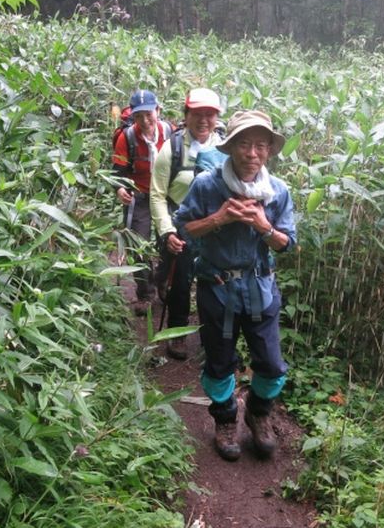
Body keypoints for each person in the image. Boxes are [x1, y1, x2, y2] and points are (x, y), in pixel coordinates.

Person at [173, 110, 296, 462]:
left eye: (260, 145)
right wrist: (219, 217)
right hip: (218, 288)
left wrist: (263, 225)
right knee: (219, 361)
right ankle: (226, 419)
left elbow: (286, 244)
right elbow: (184, 229)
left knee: (271, 364)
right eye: (244, 144)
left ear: (269, 151)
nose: (252, 153)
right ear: (231, 148)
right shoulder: (207, 185)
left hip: (261, 289)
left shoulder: (278, 191)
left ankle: (258, 414)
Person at [149, 87, 225, 359]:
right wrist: (167, 230)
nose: (203, 120)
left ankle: (210, 337)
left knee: (213, 281)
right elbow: (157, 194)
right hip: (180, 222)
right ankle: (178, 333)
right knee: (180, 281)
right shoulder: (173, 148)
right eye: (197, 114)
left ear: (217, 118)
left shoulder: (225, 148)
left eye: (210, 115)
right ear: (186, 115)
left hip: (215, 226)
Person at [112, 89, 172, 315]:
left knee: (170, 242)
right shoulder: (125, 138)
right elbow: (117, 172)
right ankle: (145, 293)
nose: (145, 120)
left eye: (149, 113)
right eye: (139, 116)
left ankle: (164, 283)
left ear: (158, 110)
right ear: (133, 116)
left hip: (166, 196)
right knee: (138, 245)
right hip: (140, 197)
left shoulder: (169, 132)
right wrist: (119, 189)